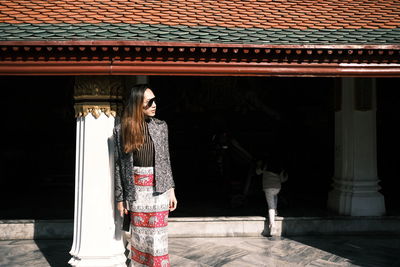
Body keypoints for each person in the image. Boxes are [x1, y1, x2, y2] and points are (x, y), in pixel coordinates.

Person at [113, 84, 177, 267]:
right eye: (149, 102)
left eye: (155, 101)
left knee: (159, 240)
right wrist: (120, 198)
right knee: (139, 239)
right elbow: (119, 167)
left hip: (159, 190)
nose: (154, 105)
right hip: (136, 192)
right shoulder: (121, 130)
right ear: (137, 104)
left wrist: (171, 190)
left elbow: (166, 160)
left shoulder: (161, 126)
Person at [256, 156, 288, 236]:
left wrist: (259, 165)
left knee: (271, 207)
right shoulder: (279, 167)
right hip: (277, 187)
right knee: (275, 196)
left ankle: (272, 225)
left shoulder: (265, 166)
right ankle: (275, 212)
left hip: (268, 187)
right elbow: (282, 180)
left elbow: (258, 172)